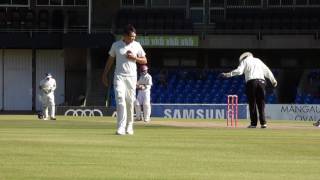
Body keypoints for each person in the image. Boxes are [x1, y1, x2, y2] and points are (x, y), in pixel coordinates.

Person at [102, 24, 147, 135]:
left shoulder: (137, 45)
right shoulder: (116, 45)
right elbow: (110, 61)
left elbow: (145, 60)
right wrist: (104, 74)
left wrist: (134, 58)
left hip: (132, 77)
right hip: (119, 76)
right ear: (125, 36)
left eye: (134, 37)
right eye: (131, 36)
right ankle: (121, 127)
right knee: (120, 99)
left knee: (130, 102)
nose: (133, 38)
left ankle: (129, 126)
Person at [220, 52, 277, 128]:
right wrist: (273, 81)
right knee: (261, 103)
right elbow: (267, 71)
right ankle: (263, 123)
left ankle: (253, 124)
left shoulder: (245, 61)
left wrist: (228, 74)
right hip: (262, 82)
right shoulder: (258, 60)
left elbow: (239, 71)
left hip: (251, 82)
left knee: (252, 103)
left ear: (244, 57)